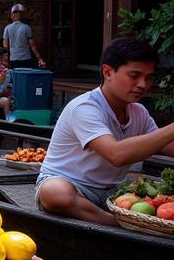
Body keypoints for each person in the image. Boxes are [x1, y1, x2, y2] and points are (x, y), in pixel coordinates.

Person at [37, 37, 174, 225]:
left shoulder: (139, 112)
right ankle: (118, 224)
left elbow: (167, 144)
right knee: (55, 193)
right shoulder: (85, 107)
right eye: (134, 76)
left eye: (149, 77)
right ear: (108, 72)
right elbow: (116, 154)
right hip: (75, 188)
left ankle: (124, 220)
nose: (143, 84)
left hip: (116, 192)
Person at [3, 4, 46, 69]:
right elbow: (33, 46)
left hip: (13, 59)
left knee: (15, 77)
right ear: (21, 16)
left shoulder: (7, 28)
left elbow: (5, 46)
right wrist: (39, 58)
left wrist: (5, 59)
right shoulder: (27, 28)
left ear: (12, 15)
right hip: (26, 58)